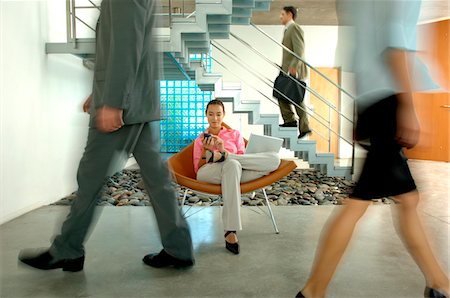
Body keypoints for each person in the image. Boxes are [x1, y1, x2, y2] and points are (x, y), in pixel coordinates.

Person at [18, 0, 195, 271]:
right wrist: (100, 93)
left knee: (90, 176)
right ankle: (179, 248)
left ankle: (68, 249)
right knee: (157, 180)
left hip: (124, 108)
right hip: (137, 103)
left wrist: (112, 101)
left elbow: (126, 46)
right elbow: (125, 46)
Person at [296, 1, 449, 297]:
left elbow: (357, 48)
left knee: (406, 200)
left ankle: (438, 283)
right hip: (388, 100)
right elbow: (395, 42)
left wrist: (361, 109)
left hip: (371, 100)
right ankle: (313, 291)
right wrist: (407, 106)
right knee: (360, 203)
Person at [193, 99, 281, 255]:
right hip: (209, 172)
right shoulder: (200, 139)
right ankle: (230, 232)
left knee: (273, 159)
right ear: (206, 115)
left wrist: (223, 151)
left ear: (224, 115)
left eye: (218, 114)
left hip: (235, 170)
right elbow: (198, 169)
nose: (215, 118)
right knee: (233, 164)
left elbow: (243, 160)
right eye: (211, 114)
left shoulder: (235, 134)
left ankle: (230, 230)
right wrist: (207, 152)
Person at [276, 6, 311, 139]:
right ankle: (290, 120)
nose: (280, 17)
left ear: (290, 14)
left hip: (294, 70)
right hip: (286, 70)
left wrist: (294, 67)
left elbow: (299, 50)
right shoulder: (287, 30)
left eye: (282, 14)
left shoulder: (294, 28)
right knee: (280, 93)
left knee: (296, 98)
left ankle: (304, 127)